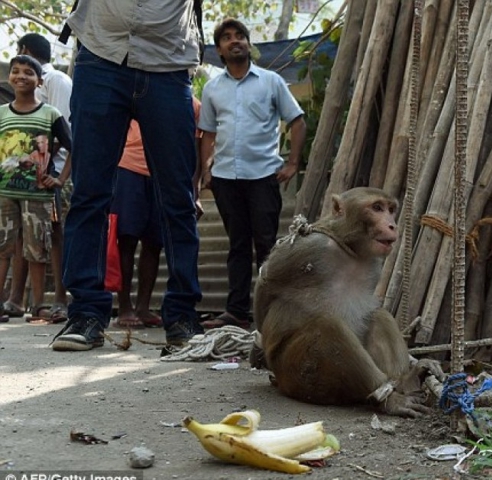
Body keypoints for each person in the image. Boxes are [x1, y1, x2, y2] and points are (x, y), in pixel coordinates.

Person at [51, 0, 203, 352]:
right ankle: (86, 313)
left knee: (177, 198)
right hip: (101, 53)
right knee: (90, 192)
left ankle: (181, 316)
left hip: (168, 59)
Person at [198, 18, 306, 330]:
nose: (235, 41)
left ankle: (272, 313)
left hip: (263, 176)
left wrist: (293, 163)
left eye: (241, 36)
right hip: (226, 178)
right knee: (237, 246)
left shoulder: (271, 81)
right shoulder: (213, 88)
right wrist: (205, 171)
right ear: (219, 49)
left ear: (249, 43)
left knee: (267, 246)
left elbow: (297, 121)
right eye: (228, 38)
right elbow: (206, 133)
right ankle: (236, 312)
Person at [111, 96, 202, 329]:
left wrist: (195, 188)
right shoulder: (134, 92)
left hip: (165, 172)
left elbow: (195, 145)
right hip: (129, 167)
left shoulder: (193, 104)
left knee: (154, 242)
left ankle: (143, 306)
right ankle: (124, 306)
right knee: (127, 238)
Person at [0, 33, 73, 323]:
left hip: (48, 175)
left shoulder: (57, 81)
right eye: (15, 71)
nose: (20, 76)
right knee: (16, 239)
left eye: (27, 70)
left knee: (49, 237)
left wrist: (39, 164)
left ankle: (53, 301)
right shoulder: (5, 112)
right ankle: (16, 299)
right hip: (13, 184)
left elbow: (64, 131)